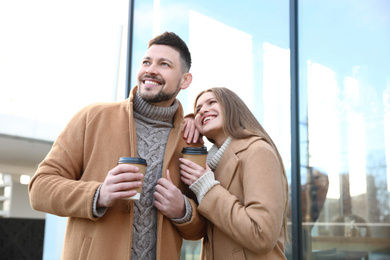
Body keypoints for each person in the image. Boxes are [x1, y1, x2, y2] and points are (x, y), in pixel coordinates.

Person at [28, 32, 206, 260]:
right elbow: (39, 189)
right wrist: (98, 194)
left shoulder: (189, 139)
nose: (151, 70)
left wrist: (183, 210)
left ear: (185, 80)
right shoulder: (92, 118)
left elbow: (201, 228)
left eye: (164, 64)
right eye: (146, 62)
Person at [179, 87, 289, 259]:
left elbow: (262, 235)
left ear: (232, 107)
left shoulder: (257, 151)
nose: (203, 110)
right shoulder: (211, 165)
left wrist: (208, 189)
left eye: (212, 102)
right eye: (198, 109)